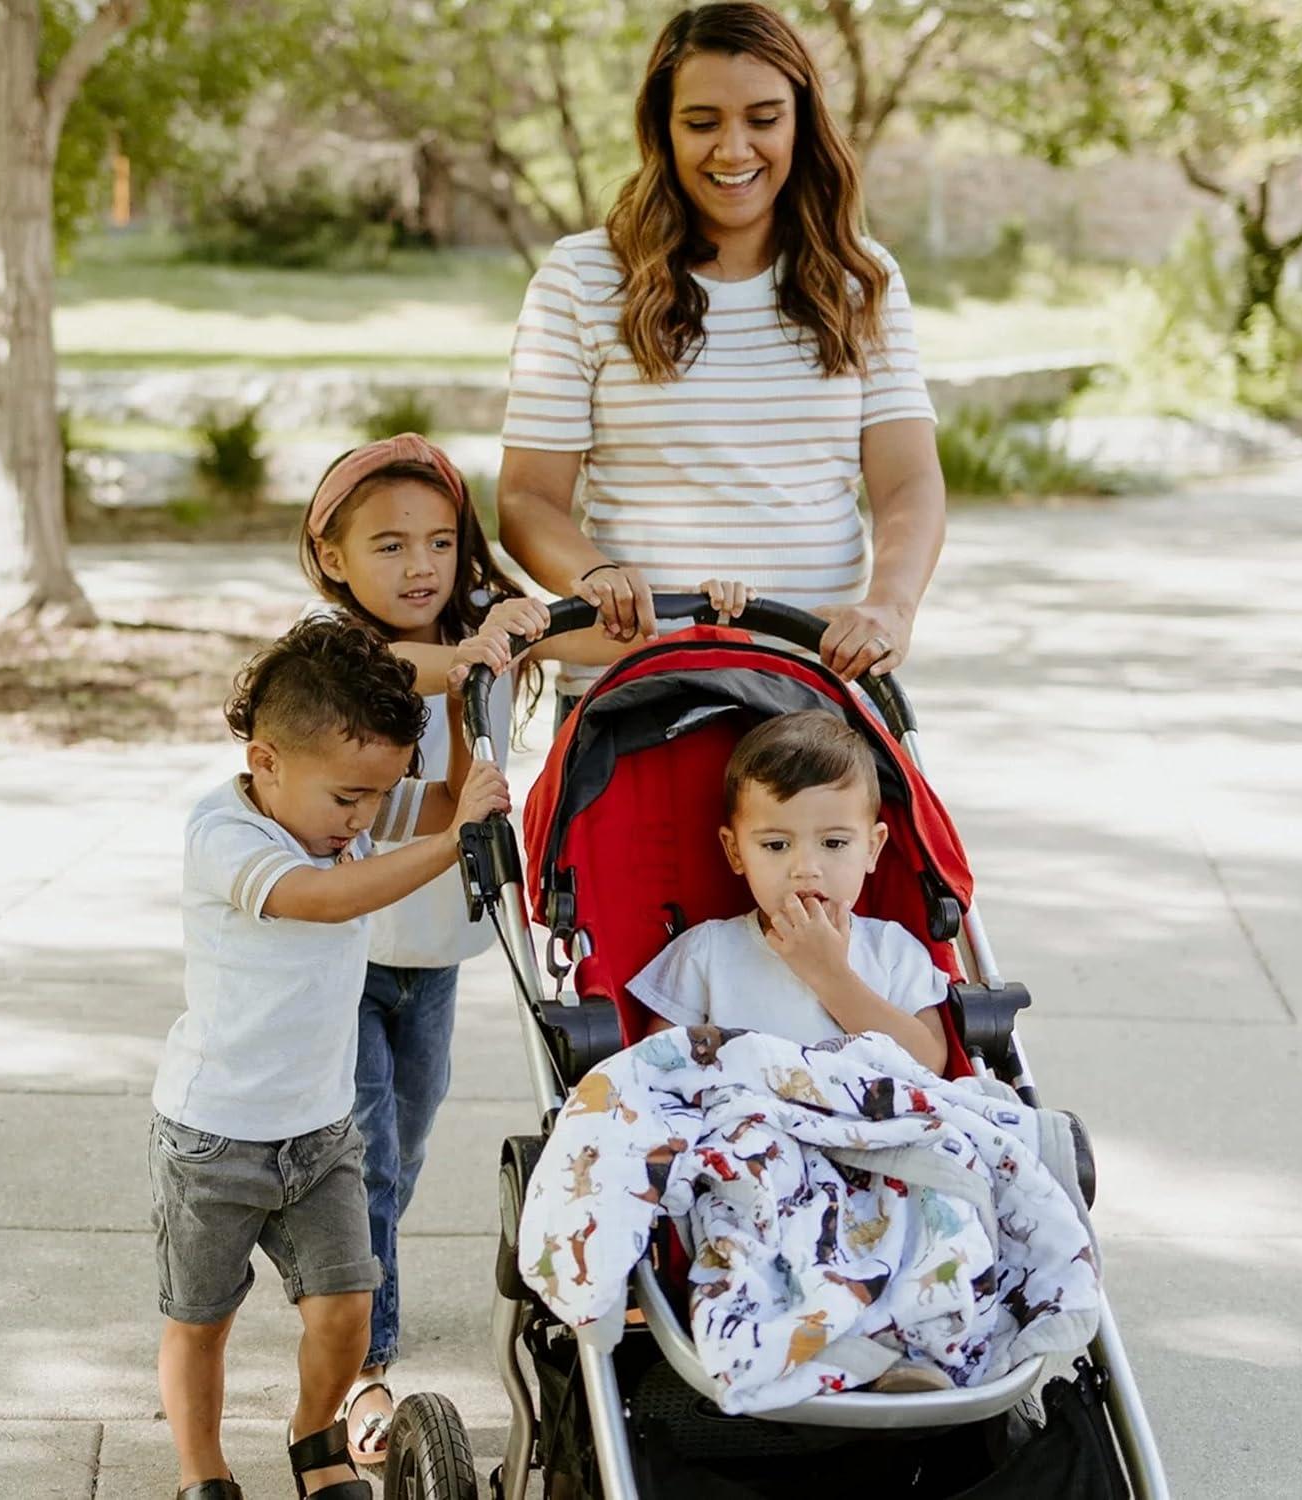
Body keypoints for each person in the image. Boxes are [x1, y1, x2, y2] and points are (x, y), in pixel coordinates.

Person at [298, 433, 628, 1466]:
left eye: (439, 541)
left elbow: (608, 649)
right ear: (335, 559)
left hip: (432, 953)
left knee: (408, 1128)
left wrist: (571, 613)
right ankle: (363, 1338)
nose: (419, 565)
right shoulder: (330, 650)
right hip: (344, 954)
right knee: (367, 1152)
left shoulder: (479, 635)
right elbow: (393, 667)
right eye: (388, 546)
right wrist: (476, 650)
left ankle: (354, 1277)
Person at [498, 1, 945, 720]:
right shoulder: (581, 277)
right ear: (662, 129)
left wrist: (890, 608)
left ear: (801, 121)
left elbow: (909, 482)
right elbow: (527, 500)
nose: (733, 150)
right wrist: (598, 577)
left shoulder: (861, 279)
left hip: (812, 692)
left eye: (763, 119)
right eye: (702, 122)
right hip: (636, 697)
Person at [148, 615, 510, 1500]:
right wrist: (451, 842)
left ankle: (316, 1441)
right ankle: (204, 1473)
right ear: (267, 760)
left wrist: (464, 706)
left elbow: (440, 799)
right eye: (347, 801)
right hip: (214, 1138)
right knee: (201, 1320)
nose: (358, 822)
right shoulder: (227, 835)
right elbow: (328, 898)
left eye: (370, 799)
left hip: (319, 1132)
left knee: (347, 1310)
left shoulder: (334, 799)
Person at [629, 710, 948, 1074]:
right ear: (735, 851)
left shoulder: (891, 949)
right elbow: (654, 1073)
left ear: (872, 849)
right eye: (777, 845)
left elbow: (928, 1066)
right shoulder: (706, 953)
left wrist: (831, 976)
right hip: (747, 1120)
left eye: (833, 842)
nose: (806, 868)